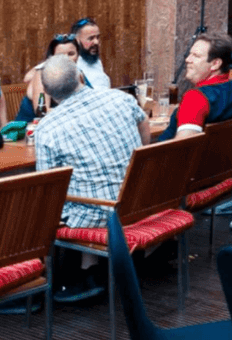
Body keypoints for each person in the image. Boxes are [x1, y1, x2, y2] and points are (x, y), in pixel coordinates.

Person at [35, 55, 150, 300]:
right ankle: (90, 270)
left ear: (46, 91)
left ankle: (41, 284)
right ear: (80, 76)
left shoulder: (47, 128)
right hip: (137, 202)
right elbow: (144, 126)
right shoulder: (120, 99)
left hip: (96, 215)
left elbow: (48, 189)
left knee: (37, 204)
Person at [159, 32, 232, 141]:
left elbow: (183, 146)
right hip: (227, 157)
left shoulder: (195, 98)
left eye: (196, 56)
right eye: (189, 54)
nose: (188, 59)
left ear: (215, 64)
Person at [15, 34, 90, 122]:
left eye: (71, 54)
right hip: (30, 128)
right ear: (52, 57)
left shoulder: (78, 71)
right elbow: (43, 112)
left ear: (78, 55)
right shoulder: (43, 73)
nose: (66, 59)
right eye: (60, 55)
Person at [71, 17, 110, 89]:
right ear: (76, 41)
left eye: (97, 37)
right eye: (91, 38)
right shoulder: (71, 65)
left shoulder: (96, 61)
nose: (96, 42)